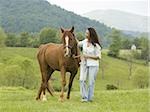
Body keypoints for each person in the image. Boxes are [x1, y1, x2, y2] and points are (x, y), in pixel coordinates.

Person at [74, 27, 102, 102]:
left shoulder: (96, 45)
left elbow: (98, 57)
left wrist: (88, 56)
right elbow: (78, 44)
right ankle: (84, 97)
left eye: (87, 33)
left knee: (90, 82)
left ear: (91, 34)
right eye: (85, 33)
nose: (85, 34)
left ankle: (90, 98)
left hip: (93, 65)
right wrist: (73, 36)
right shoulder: (85, 41)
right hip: (84, 63)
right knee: (82, 80)